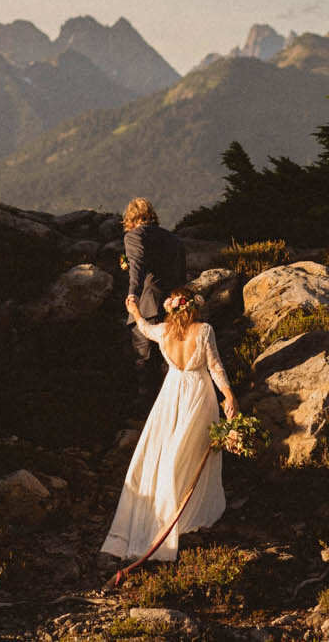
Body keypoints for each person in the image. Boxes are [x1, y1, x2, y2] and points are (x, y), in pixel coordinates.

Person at [102, 286, 237, 564]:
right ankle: (181, 516)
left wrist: (135, 311)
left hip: (172, 393)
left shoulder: (163, 331)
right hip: (198, 394)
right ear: (193, 307)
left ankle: (167, 512)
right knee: (193, 452)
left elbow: (143, 328)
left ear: (173, 307)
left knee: (165, 452)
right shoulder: (204, 330)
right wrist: (229, 396)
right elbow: (215, 367)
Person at [121, 197, 188, 401]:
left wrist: (132, 293)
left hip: (148, 307)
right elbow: (181, 274)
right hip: (173, 306)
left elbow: (138, 266)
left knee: (144, 361)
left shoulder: (135, 236)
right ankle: (171, 406)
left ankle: (146, 413)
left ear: (130, 218)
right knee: (171, 362)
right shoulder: (173, 239)